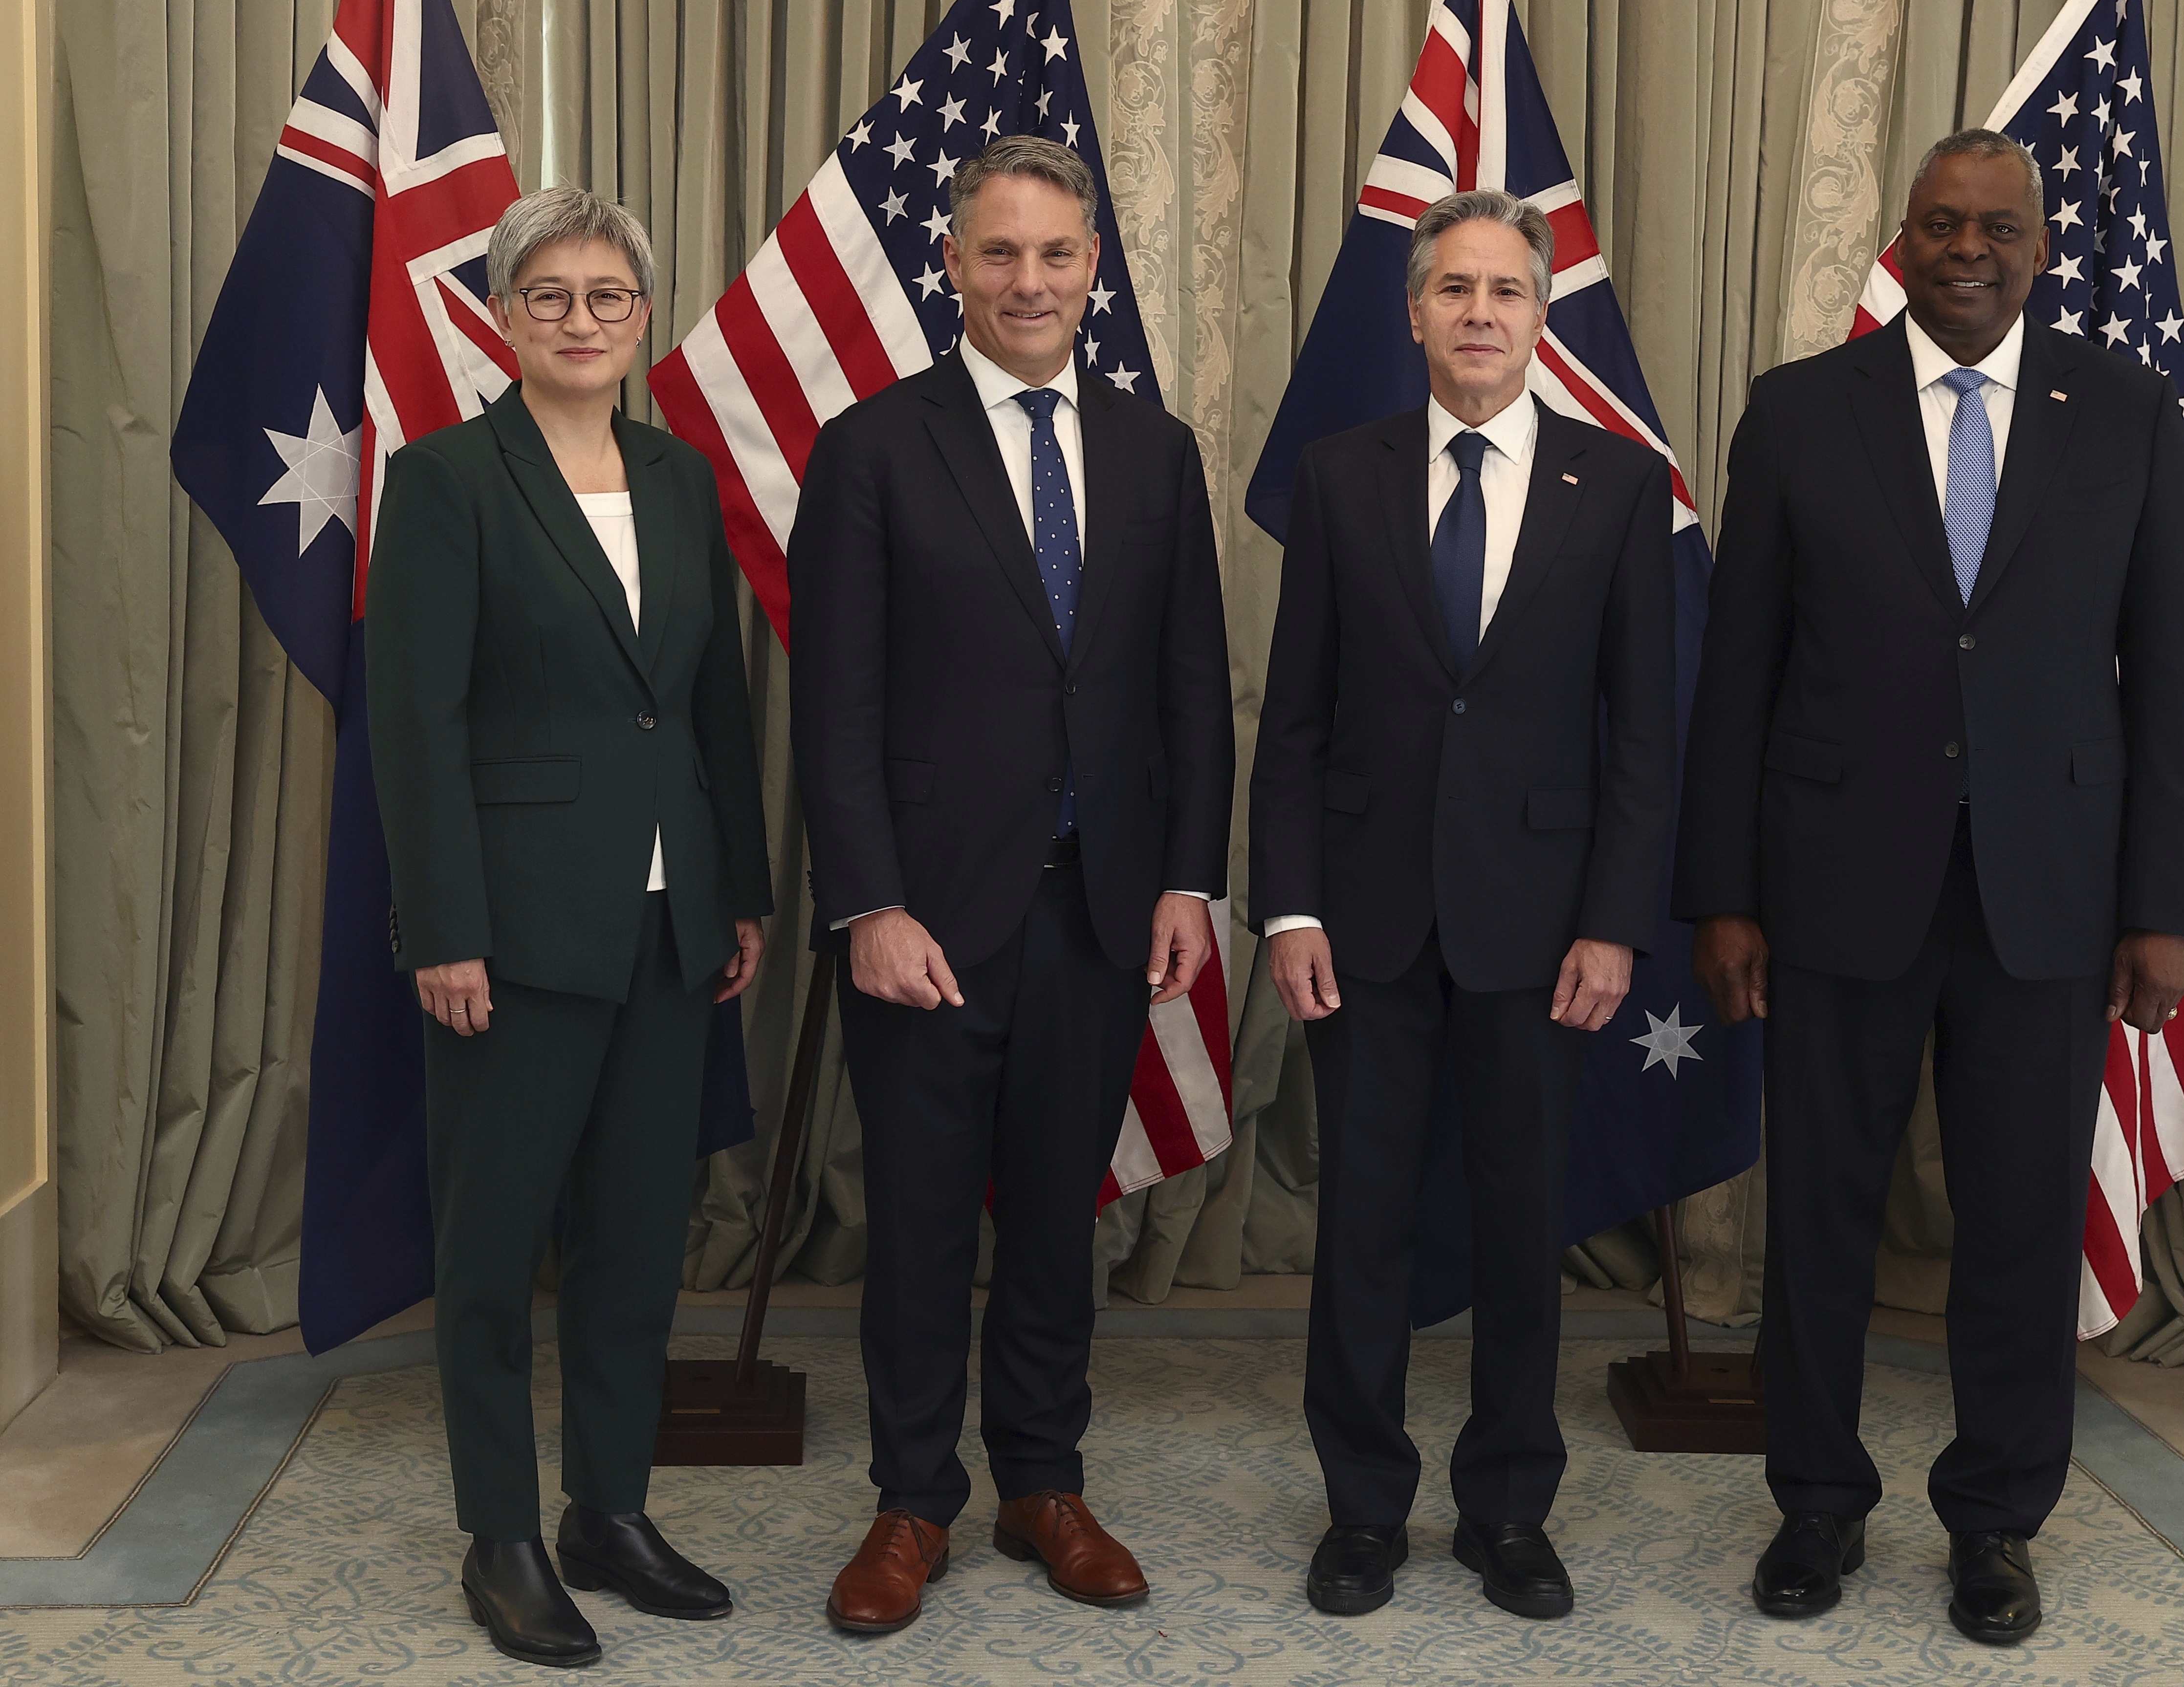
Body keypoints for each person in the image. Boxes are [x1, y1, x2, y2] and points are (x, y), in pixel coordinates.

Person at [1675, 129, 2184, 1644]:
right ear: (1899, 242)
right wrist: (1721, 889)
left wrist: (2162, 903)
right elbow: (1741, 674)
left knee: (2024, 1222)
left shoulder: (2122, 409)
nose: (1968, 250)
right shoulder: (1798, 414)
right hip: (1837, 880)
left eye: (1998, 228)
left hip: (2051, 889)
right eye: (1939, 225)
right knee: (1825, 1215)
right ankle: (1817, 1505)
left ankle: (1995, 1521)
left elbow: (2172, 675)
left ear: (2039, 246)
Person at [789, 134, 1232, 1636]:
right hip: (929, 919)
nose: (1027, 280)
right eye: (999, 253)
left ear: (1093, 268)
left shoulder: (1155, 453)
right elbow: (834, 702)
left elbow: (1190, 690)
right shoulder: (871, 447)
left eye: (1055, 255)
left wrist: (1188, 879)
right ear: (954, 264)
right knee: (917, 1222)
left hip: (1099, 910)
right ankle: (913, 1500)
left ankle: (1045, 1481)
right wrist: (867, 903)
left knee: (1056, 1215)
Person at [1249, 188, 1676, 1622]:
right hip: (1362, 922)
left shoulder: (1616, 488)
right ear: (1415, 311)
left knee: (1518, 1228)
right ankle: (1364, 1508)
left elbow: (1641, 731)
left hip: (1545, 927)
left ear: (1541, 317)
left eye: (1507, 290)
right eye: (1455, 290)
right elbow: (1294, 718)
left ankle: (1507, 1507)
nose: (1481, 313)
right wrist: (1288, 908)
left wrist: (1616, 919)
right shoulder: (1336, 475)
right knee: (1362, 1223)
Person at [368, 185, 774, 1669]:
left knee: (633, 1245)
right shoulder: (445, 481)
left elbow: (710, 696)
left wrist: (739, 888)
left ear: (643, 317)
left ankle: (611, 1509)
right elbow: (418, 728)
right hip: (519, 931)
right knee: (491, 1249)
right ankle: (504, 1536)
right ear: (503, 312)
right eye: (551, 295)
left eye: (610, 295)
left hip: (671, 927)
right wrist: (445, 931)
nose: (583, 319)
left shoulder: (676, 478)